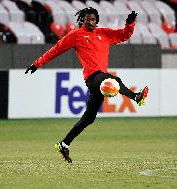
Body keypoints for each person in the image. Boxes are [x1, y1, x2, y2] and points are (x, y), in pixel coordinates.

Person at [25, 7, 149, 163]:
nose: (90, 22)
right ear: (82, 20)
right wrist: (37, 64)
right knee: (113, 81)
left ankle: (64, 143)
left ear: (97, 20)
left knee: (89, 118)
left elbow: (124, 35)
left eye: (93, 19)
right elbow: (56, 50)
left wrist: (129, 23)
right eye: (87, 19)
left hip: (101, 80)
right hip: (93, 78)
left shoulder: (104, 33)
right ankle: (136, 97)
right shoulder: (75, 35)